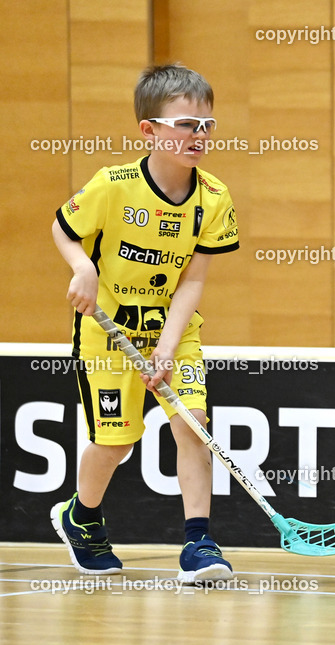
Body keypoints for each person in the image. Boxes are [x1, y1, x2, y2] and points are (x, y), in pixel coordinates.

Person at [50, 64, 239, 585]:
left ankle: (199, 541)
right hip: (107, 330)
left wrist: (168, 345)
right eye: (184, 125)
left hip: (174, 329)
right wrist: (83, 268)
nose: (198, 136)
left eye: (206, 124)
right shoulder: (112, 187)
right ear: (149, 132)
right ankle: (81, 518)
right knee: (116, 444)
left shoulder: (214, 200)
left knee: (192, 425)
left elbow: (193, 282)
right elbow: (63, 228)